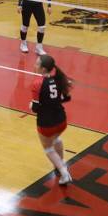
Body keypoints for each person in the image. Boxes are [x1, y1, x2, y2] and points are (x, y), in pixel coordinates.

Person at [31, 54, 73, 185]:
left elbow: (36, 108)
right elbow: (66, 98)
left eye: (37, 64)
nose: (34, 65)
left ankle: (64, 173)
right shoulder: (59, 79)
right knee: (56, 139)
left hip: (46, 123)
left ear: (43, 69)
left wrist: (31, 105)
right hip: (61, 119)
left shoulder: (37, 83)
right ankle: (61, 162)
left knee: (48, 148)